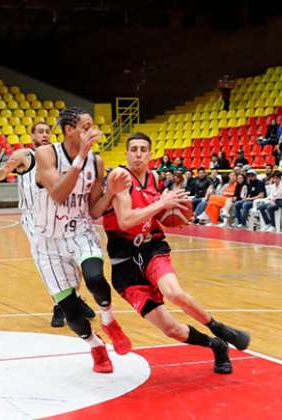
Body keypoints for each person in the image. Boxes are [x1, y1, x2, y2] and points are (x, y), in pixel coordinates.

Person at [104, 132, 250, 374]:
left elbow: (159, 213)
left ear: (150, 154)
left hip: (152, 248)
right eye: (133, 149)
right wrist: (162, 204)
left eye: (143, 149)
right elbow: (126, 220)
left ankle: (220, 329)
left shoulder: (153, 177)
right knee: (172, 329)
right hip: (125, 265)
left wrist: (171, 210)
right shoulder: (121, 179)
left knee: (173, 292)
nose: (138, 153)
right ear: (127, 153)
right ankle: (216, 346)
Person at [34, 107, 132, 373]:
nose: (93, 132)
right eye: (86, 127)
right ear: (69, 130)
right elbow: (58, 194)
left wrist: (110, 192)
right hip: (47, 241)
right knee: (71, 313)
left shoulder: (97, 162)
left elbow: (93, 211)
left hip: (80, 232)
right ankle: (95, 346)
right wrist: (79, 159)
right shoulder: (47, 154)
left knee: (95, 277)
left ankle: (109, 321)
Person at [0, 121, 95, 328]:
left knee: (72, 259)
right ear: (32, 137)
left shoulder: (56, 157)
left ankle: (73, 298)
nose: (45, 134)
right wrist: (4, 168)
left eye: (48, 131)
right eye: (40, 132)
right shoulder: (25, 155)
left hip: (58, 214)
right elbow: (2, 173)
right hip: (34, 218)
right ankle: (61, 305)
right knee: (50, 263)